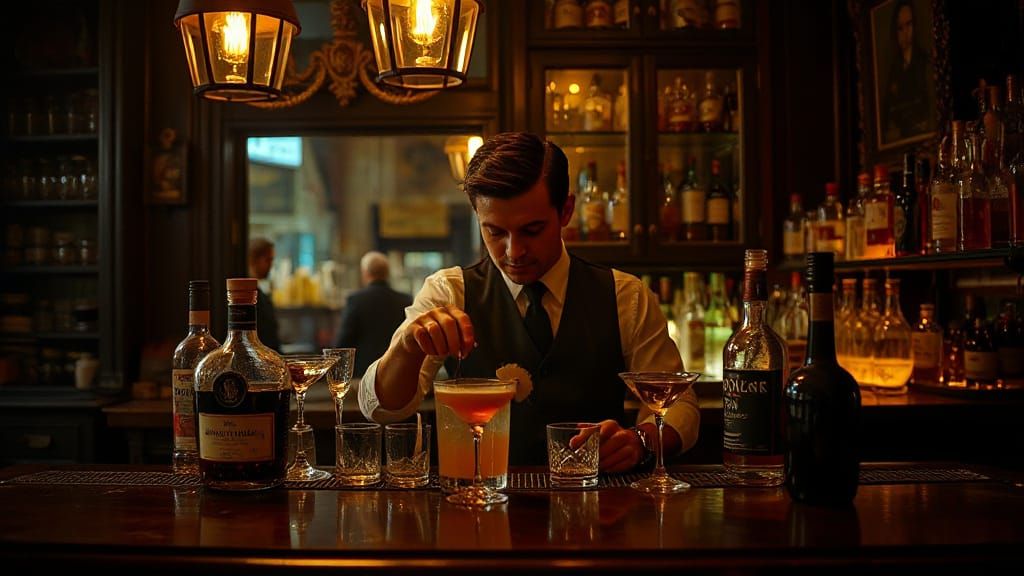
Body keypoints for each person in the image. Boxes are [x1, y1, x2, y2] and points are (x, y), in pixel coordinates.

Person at [358, 132, 699, 471]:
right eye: (495, 232)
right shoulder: (449, 291)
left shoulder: (626, 296)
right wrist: (406, 345)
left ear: (566, 210)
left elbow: (681, 405)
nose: (514, 251)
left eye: (532, 230)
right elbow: (381, 408)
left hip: (595, 508)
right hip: (478, 506)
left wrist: (639, 441)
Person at [334, 251, 413, 377]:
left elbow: (344, 341)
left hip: (365, 373)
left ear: (365, 273)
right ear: (387, 273)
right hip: (396, 372)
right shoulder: (405, 300)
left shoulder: (356, 300)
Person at [881, 0, 933, 143]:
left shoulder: (924, 62)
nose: (905, 33)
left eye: (909, 25)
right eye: (900, 28)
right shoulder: (893, 70)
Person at [248, 237, 281, 352]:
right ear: (253, 260)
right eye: (268, 260)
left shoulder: (258, 293)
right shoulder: (249, 295)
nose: (271, 265)